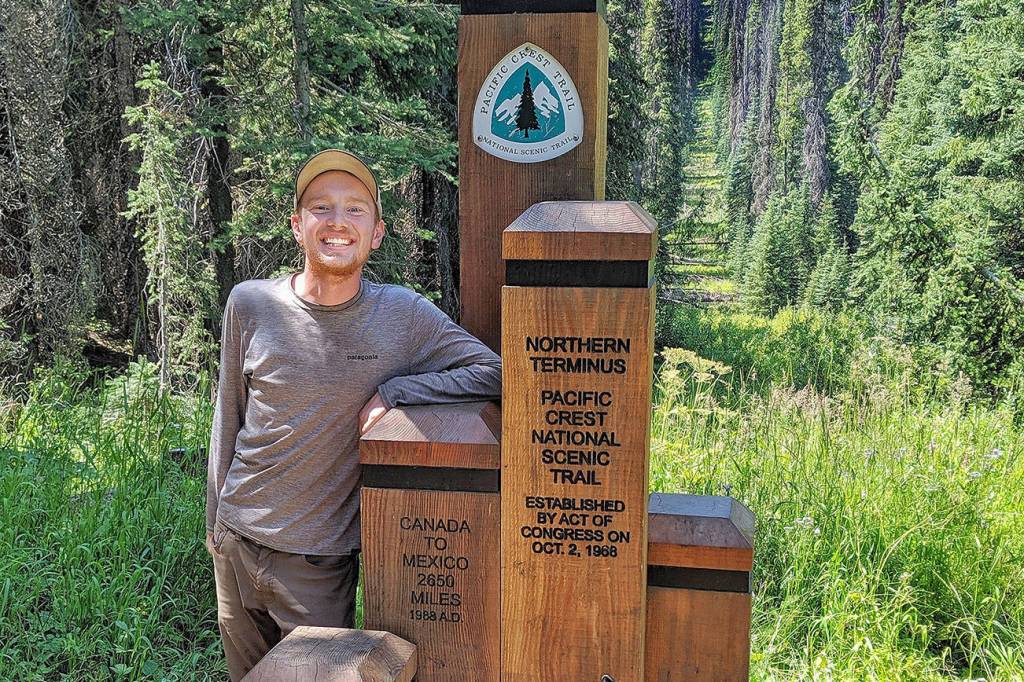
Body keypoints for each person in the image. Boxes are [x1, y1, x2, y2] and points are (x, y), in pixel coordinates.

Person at [205, 149, 501, 680]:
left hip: (318, 565)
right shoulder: (249, 304)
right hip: (236, 545)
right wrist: (215, 529)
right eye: (321, 207)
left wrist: (400, 389)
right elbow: (228, 418)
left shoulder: (403, 315)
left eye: (355, 209)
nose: (337, 221)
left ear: (378, 232)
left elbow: (497, 371)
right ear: (298, 226)